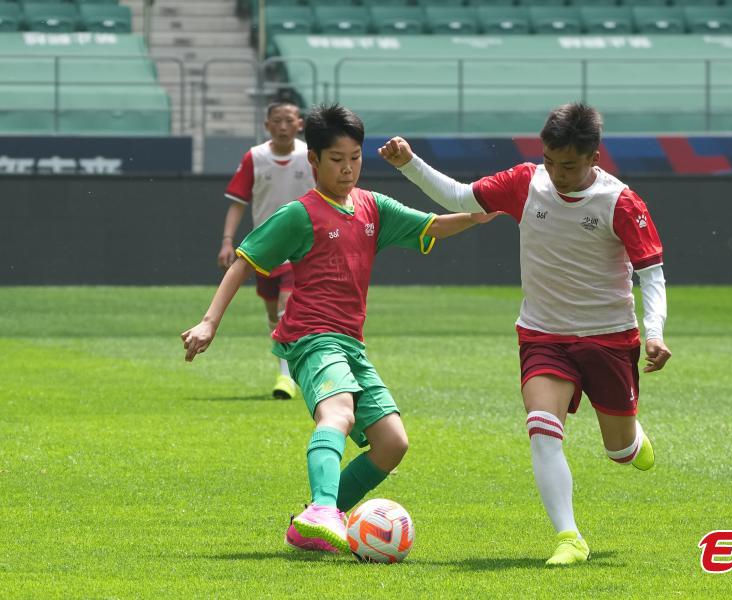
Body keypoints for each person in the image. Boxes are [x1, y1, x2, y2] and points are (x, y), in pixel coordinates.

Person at [182, 104, 496, 554]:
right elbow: (243, 263)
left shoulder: (372, 207)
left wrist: (478, 215)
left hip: (351, 345)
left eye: (355, 157)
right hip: (311, 340)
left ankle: (314, 523)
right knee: (338, 414)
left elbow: (430, 226)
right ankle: (324, 510)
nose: (347, 168)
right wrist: (209, 322)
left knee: (392, 443)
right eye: (336, 159)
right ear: (314, 160)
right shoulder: (299, 214)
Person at [379, 102, 672, 566]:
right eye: (550, 161)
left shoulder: (621, 202)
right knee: (541, 428)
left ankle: (631, 440)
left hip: (609, 338)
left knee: (619, 452)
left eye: (569, 165)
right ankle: (569, 537)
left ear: (594, 158)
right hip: (543, 335)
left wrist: (653, 332)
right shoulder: (525, 182)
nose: (556, 173)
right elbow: (460, 197)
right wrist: (409, 163)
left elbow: (650, 272)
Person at [220, 102, 316, 400]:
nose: (283, 126)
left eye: (289, 120)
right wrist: (227, 240)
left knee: (289, 306)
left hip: (301, 248)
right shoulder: (255, 157)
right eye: (277, 120)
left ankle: (287, 376)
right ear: (267, 125)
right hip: (266, 248)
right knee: (274, 314)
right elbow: (238, 201)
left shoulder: (310, 156)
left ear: (299, 123)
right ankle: (286, 368)